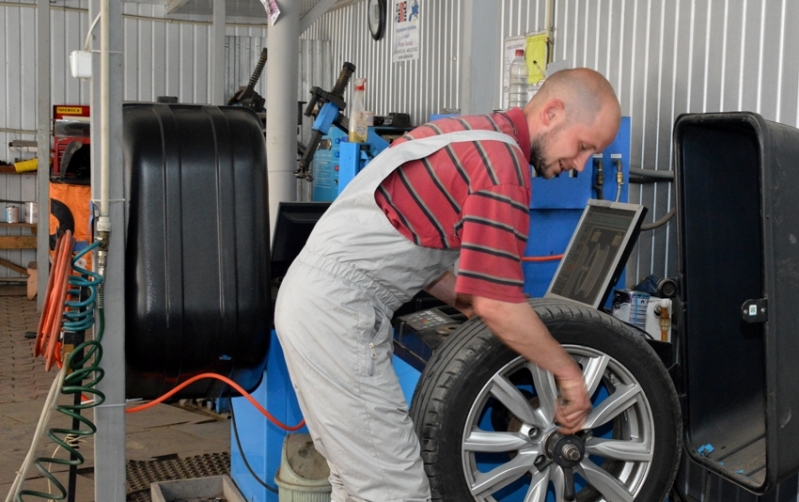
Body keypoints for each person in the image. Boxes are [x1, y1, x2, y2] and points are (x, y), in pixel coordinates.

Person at [275, 67, 622, 502]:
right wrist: (569, 375)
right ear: (553, 113)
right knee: (395, 491)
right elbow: (497, 304)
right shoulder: (503, 168)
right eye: (584, 146)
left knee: (356, 481)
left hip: (318, 300)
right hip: (338, 310)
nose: (579, 165)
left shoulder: (465, 132)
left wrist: (474, 305)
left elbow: (421, 242)